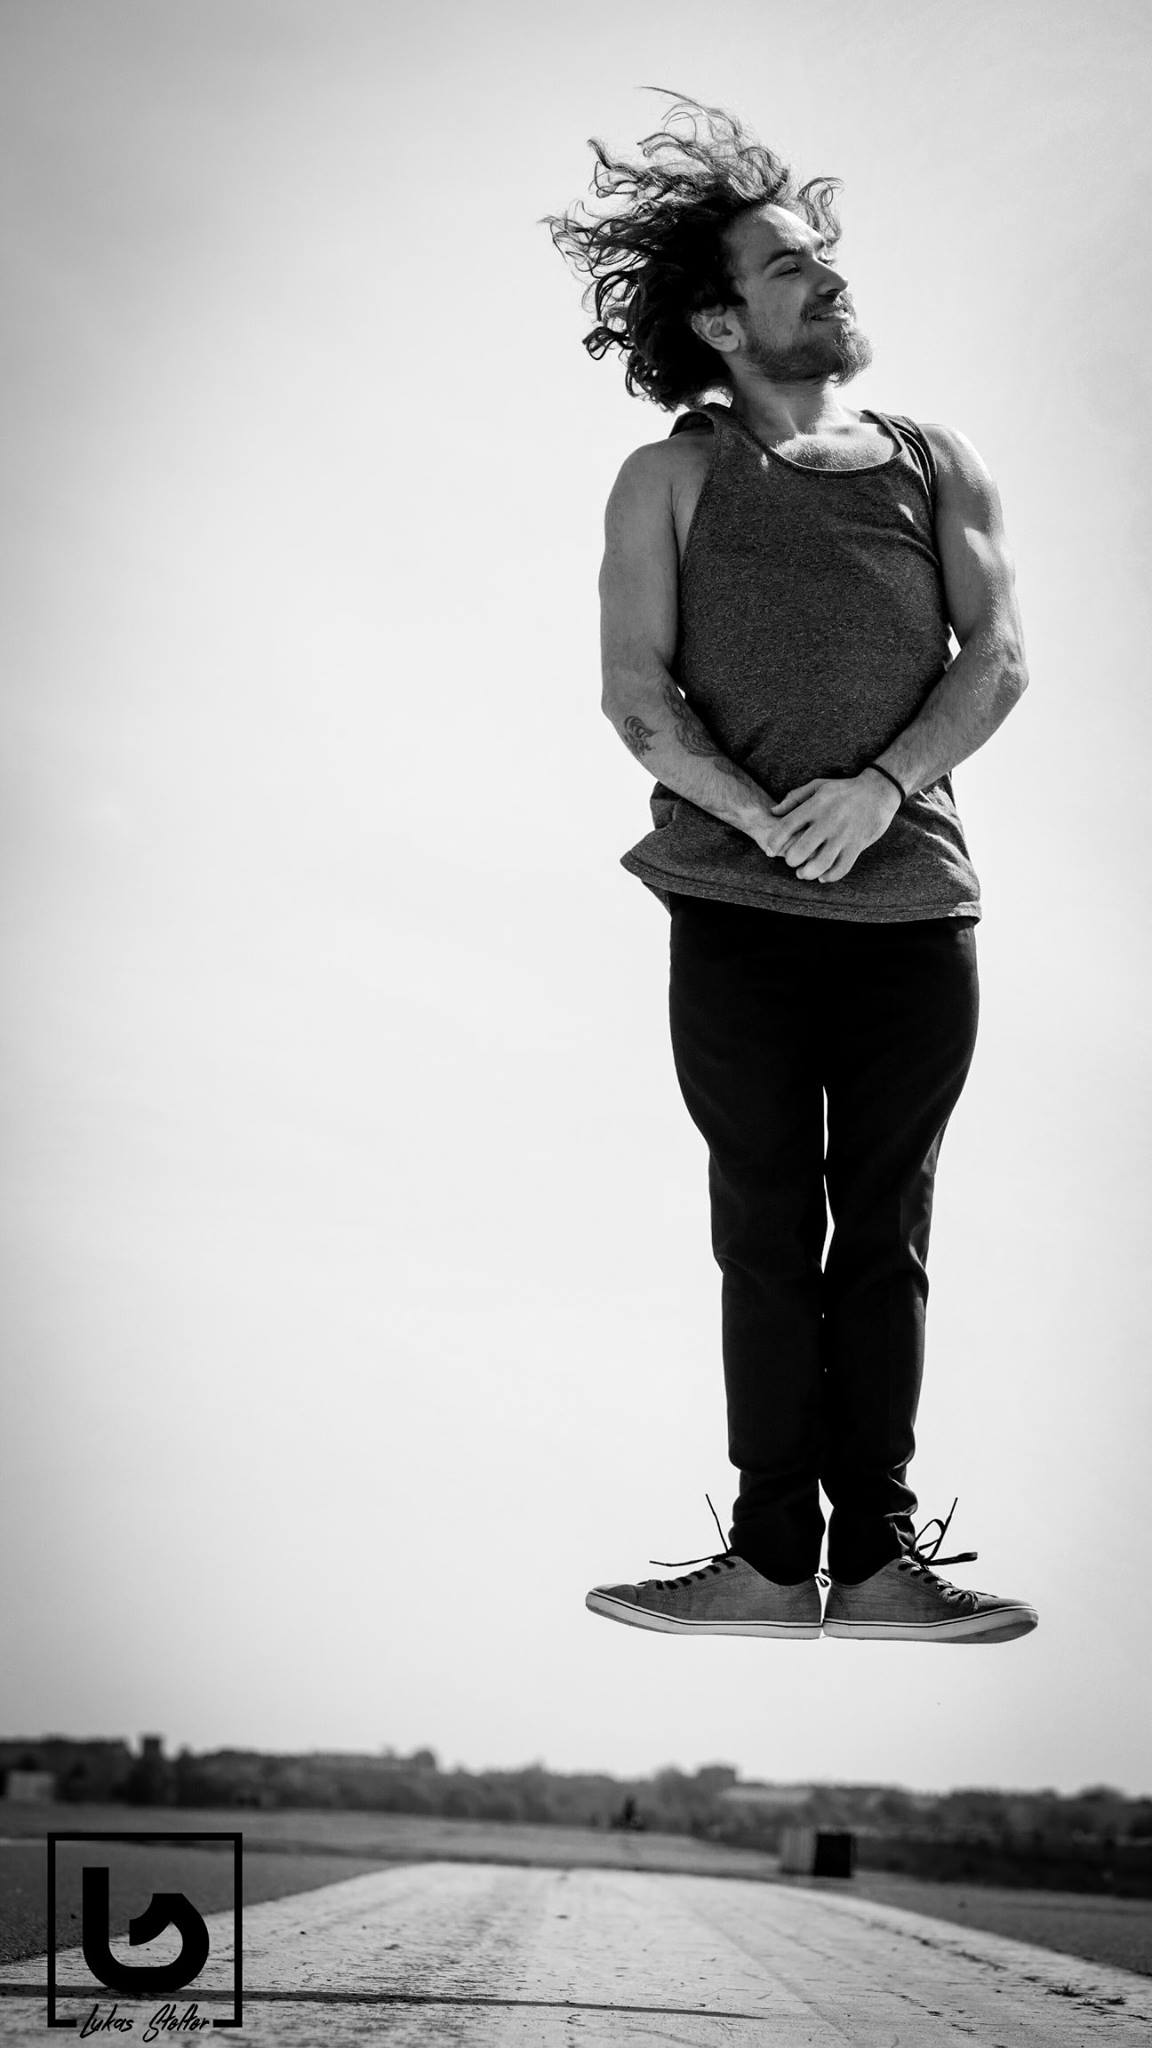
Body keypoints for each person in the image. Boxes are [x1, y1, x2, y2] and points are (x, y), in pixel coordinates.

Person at [544, 93, 1038, 1645]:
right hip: (736, 907)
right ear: (719, 320)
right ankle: (768, 1565)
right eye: (788, 267)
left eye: (823, 257)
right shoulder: (669, 479)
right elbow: (636, 696)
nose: (828, 279)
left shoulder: (934, 462)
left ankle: (879, 1563)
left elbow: (999, 657)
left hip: (916, 906)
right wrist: (766, 823)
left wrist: (881, 790)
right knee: (764, 1227)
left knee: (884, 1228)